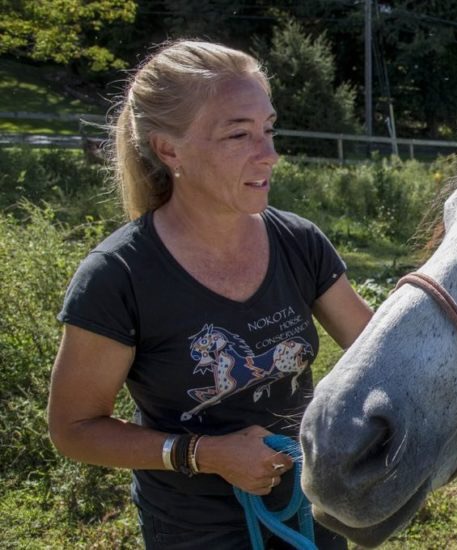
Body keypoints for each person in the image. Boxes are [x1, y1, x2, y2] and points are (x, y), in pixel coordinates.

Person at [46, 40, 373, 549]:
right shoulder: (118, 275)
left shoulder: (299, 242)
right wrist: (205, 454)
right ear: (169, 148)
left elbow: (371, 346)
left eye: (268, 129)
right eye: (238, 134)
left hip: (309, 508)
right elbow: (73, 428)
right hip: (194, 531)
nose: (270, 154)